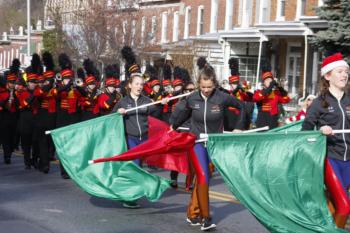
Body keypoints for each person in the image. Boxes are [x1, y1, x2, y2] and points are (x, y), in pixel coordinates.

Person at [171, 65, 243, 231]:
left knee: (204, 180)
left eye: (209, 87)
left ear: (214, 84)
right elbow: (183, 114)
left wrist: (239, 127)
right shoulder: (192, 98)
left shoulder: (222, 97)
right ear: (198, 84)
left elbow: (242, 107)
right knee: (202, 176)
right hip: (197, 143)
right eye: (203, 87)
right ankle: (206, 218)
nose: (206, 90)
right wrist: (173, 126)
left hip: (214, 144)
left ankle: (193, 213)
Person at [302, 53, 350, 228]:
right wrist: (320, 131)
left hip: (349, 160)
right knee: (345, 207)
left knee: (334, 204)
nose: (344, 75)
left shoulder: (349, 100)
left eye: (346, 71)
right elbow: (305, 131)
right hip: (331, 159)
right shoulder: (319, 102)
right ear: (328, 76)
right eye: (340, 71)